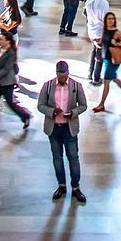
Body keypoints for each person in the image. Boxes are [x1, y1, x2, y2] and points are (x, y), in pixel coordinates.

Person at [37, 61, 88, 202]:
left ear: (68, 73)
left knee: (73, 158)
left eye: (64, 76)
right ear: (56, 74)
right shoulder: (48, 86)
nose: (62, 78)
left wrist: (73, 113)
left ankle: (76, 188)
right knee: (57, 158)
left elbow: (83, 105)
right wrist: (52, 111)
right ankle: (61, 185)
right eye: (60, 76)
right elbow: (40, 105)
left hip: (69, 128)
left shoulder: (76, 86)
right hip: (54, 129)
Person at [0, 32, 31, 133]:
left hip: (7, 83)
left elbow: (6, 69)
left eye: (1, 39)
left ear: (8, 41)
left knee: (10, 103)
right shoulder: (0, 49)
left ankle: (25, 116)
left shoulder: (11, 53)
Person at [92, 12, 121, 112]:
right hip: (106, 59)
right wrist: (97, 43)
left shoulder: (117, 32)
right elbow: (103, 42)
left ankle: (101, 104)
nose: (111, 21)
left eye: (112, 19)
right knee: (113, 78)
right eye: (109, 19)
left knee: (106, 81)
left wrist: (117, 44)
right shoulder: (105, 30)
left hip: (113, 61)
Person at [84, 0, 109, 86]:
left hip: (91, 30)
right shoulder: (104, 3)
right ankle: (96, 78)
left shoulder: (88, 0)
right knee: (100, 55)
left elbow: (85, 14)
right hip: (99, 31)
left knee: (94, 50)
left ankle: (90, 73)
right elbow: (105, 20)